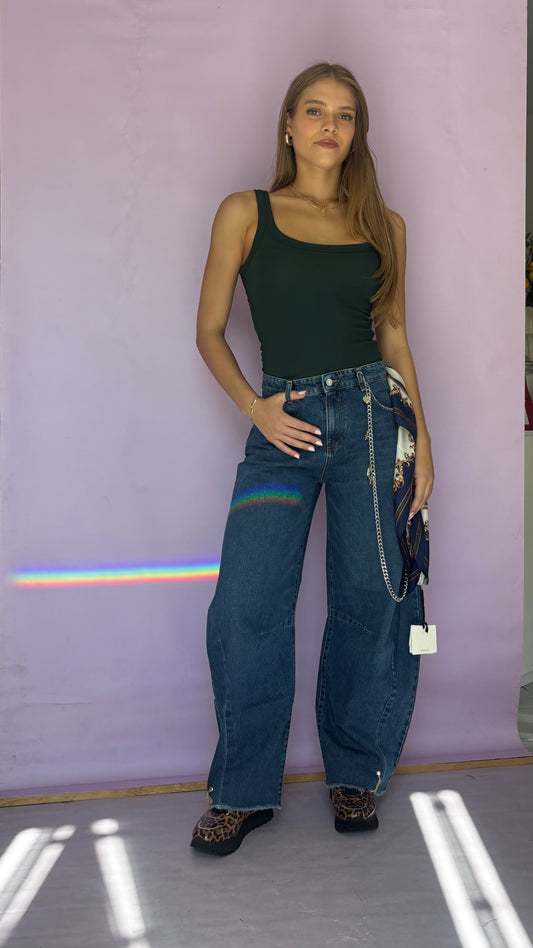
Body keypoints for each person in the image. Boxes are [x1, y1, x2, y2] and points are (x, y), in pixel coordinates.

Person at [191, 62, 434, 856]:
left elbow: (393, 338)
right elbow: (208, 331)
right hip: (283, 424)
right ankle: (242, 791)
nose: (330, 125)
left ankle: (354, 775)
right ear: (289, 126)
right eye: (314, 110)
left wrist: (421, 444)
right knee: (245, 603)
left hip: (373, 420)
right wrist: (255, 407)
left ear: (356, 131)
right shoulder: (246, 212)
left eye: (345, 114)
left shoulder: (384, 225)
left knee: (370, 599)